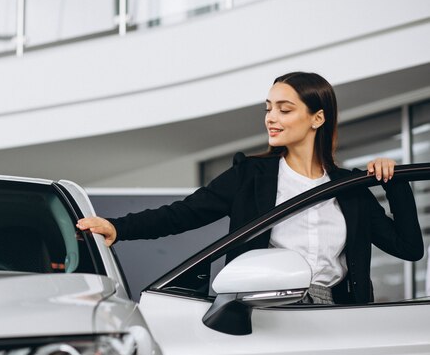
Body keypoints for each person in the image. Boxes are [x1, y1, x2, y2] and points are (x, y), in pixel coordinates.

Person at [77, 72, 424, 305]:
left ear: (317, 118)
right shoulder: (251, 175)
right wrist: (118, 227)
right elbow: (183, 214)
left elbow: (408, 248)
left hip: (339, 312)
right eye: (269, 109)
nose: (271, 118)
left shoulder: (350, 187)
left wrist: (394, 182)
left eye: (284, 110)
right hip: (266, 308)